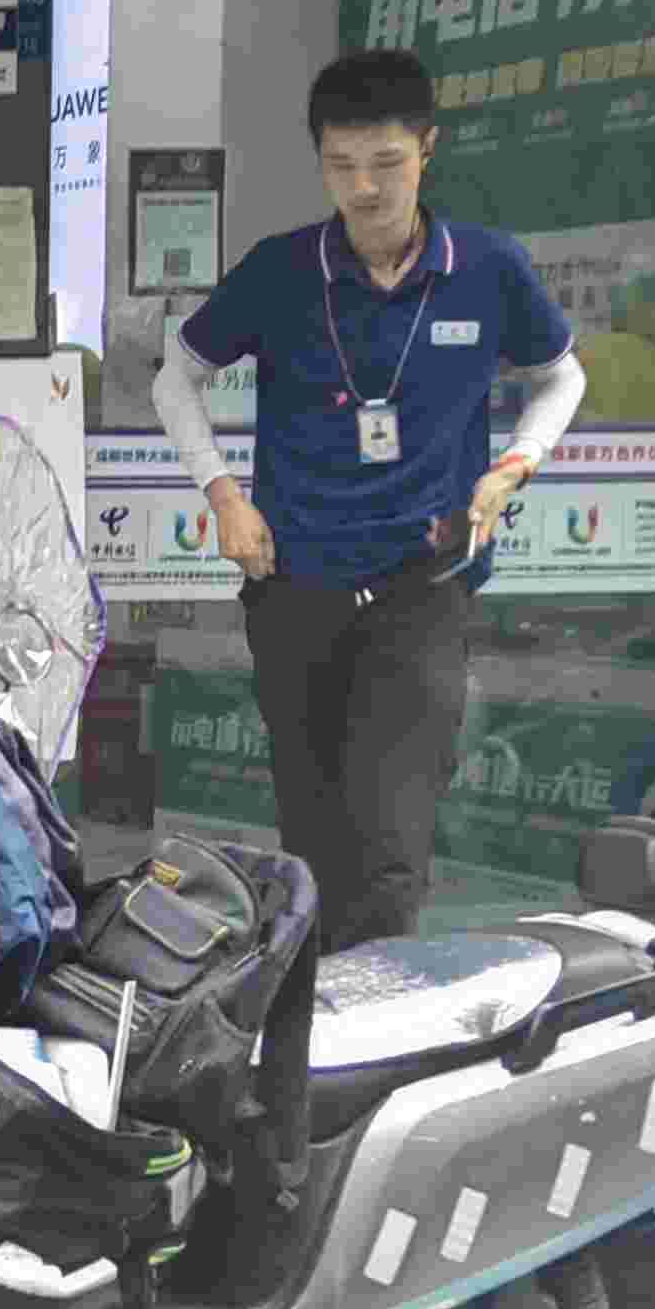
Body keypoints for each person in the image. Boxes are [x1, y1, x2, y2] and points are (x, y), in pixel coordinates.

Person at [156, 49, 587, 951]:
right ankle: (317, 1015)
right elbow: (177, 378)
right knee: (314, 841)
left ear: (427, 149)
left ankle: (378, 1009)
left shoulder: (486, 267)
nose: (364, 187)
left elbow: (562, 375)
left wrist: (515, 466)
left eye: (386, 163)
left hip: (421, 589)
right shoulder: (281, 271)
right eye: (341, 165)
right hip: (295, 588)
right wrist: (224, 496)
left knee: (392, 845)